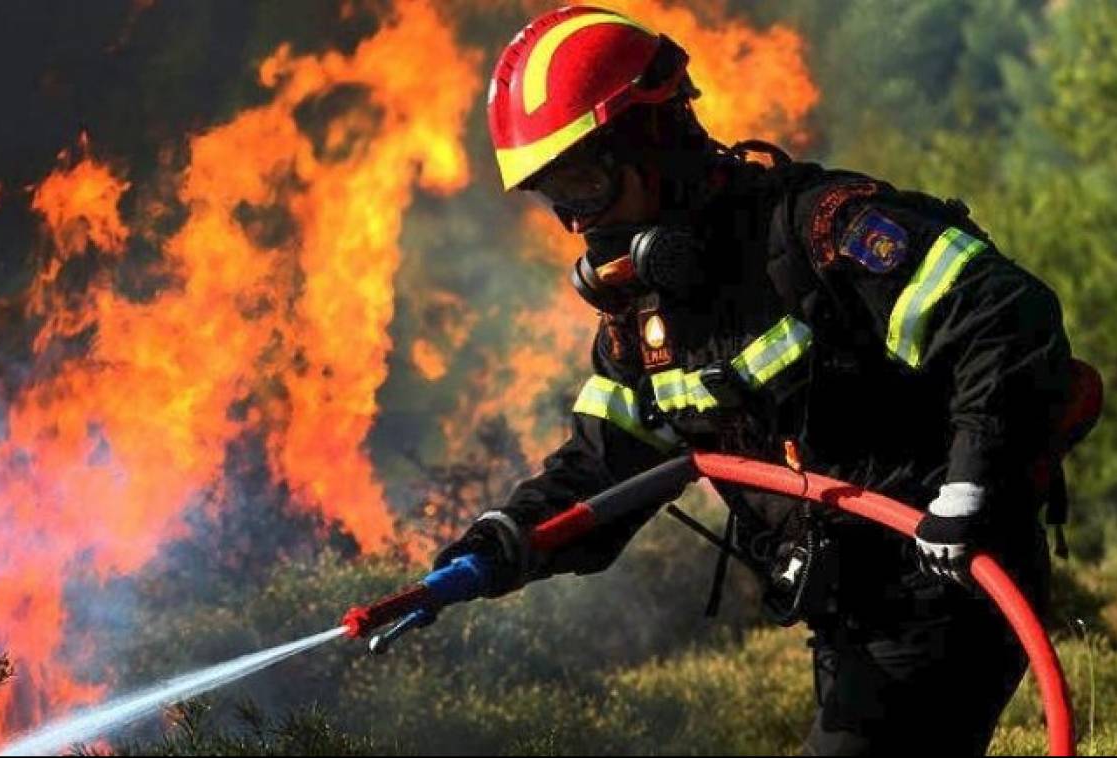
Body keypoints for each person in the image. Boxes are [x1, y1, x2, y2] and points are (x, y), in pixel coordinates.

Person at [436, 6, 1082, 755]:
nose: (577, 226)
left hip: (951, 588)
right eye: (558, 199)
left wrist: (971, 489)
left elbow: (1005, 317)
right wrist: (504, 542)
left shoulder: (821, 233)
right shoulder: (646, 326)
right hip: (850, 619)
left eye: (583, 185)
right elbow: (606, 463)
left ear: (653, 141)